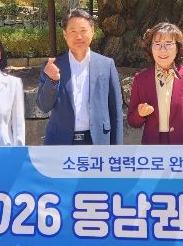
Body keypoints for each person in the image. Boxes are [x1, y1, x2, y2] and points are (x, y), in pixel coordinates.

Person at [36, 9, 123, 145]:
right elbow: (43, 106)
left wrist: (117, 149)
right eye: (73, 31)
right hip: (60, 142)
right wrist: (52, 80)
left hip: (97, 141)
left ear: (92, 32)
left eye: (83, 30)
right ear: (65, 34)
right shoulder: (53, 67)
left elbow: (115, 111)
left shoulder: (106, 65)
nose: (79, 36)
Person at [127, 22, 183, 145]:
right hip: (152, 147)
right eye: (157, 44)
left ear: (178, 48)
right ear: (150, 48)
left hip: (182, 146)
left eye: (168, 44)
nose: (162, 50)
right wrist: (140, 114)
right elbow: (132, 121)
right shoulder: (141, 79)